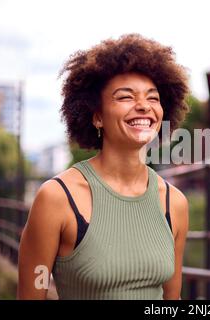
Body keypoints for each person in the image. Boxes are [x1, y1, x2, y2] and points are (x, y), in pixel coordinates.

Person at [17, 34, 190, 300]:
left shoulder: (174, 203)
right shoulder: (57, 198)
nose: (143, 106)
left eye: (153, 98)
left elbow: (172, 300)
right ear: (97, 116)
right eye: (125, 97)